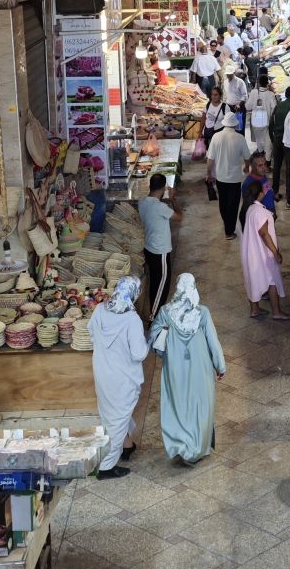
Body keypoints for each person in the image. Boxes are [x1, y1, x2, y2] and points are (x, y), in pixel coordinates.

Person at [148, 273, 226, 467]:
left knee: (178, 403)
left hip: (175, 366)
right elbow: (213, 342)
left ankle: (181, 445)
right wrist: (220, 365)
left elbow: (153, 338)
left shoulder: (166, 312)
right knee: (200, 404)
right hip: (200, 366)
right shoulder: (202, 313)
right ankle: (198, 447)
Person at [89, 276, 149, 479]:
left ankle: (127, 446)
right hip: (123, 376)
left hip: (102, 371)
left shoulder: (99, 310)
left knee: (112, 413)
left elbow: (91, 333)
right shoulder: (132, 320)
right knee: (118, 417)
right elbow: (139, 354)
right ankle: (106, 467)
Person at [240, 177, 290, 320]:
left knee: (252, 279)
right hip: (262, 254)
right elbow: (264, 233)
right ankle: (276, 312)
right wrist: (275, 252)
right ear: (260, 194)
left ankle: (254, 310)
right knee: (272, 280)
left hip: (251, 252)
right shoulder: (261, 212)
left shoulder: (249, 209)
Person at [138, 172, 179, 317]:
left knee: (155, 283)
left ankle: (153, 312)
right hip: (160, 251)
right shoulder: (161, 207)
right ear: (163, 189)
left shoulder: (142, 202)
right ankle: (154, 318)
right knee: (162, 287)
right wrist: (173, 199)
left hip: (149, 248)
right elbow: (179, 217)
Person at [206, 112, 248, 238]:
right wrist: (246, 167)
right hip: (235, 178)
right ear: (235, 124)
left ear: (224, 124)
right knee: (233, 205)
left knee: (223, 203)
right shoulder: (240, 138)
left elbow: (210, 159)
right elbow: (247, 157)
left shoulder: (216, 137)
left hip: (220, 177)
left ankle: (227, 224)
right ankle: (229, 231)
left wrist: (209, 173)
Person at [269, 85, 290, 196]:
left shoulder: (278, 105)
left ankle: (275, 190)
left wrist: (273, 138)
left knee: (277, 166)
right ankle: (289, 195)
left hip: (277, 139)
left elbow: (271, 123)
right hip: (288, 142)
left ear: (285, 94)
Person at [246, 71, 277, 159]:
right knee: (267, 142)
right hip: (266, 122)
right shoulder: (271, 94)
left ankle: (261, 155)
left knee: (259, 141)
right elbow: (274, 107)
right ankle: (267, 160)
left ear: (258, 83)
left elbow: (248, 106)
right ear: (267, 83)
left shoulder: (253, 92)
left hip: (256, 122)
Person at [202, 84, 227, 148]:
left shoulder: (224, 107)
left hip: (219, 134)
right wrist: (200, 132)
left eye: (216, 95)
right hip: (208, 133)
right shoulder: (208, 105)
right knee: (209, 150)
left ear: (220, 96)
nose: (213, 97)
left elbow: (228, 122)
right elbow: (203, 118)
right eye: (212, 94)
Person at [224, 63, 248, 132]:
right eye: (227, 74)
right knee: (230, 128)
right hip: (229, 107)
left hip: (239, 107)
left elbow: (244, 95)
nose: (229, 76)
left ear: (234, 73)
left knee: (240, 127)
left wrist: (239, 104)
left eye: (230, 74)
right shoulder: (225, 82)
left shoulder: (240, 82)